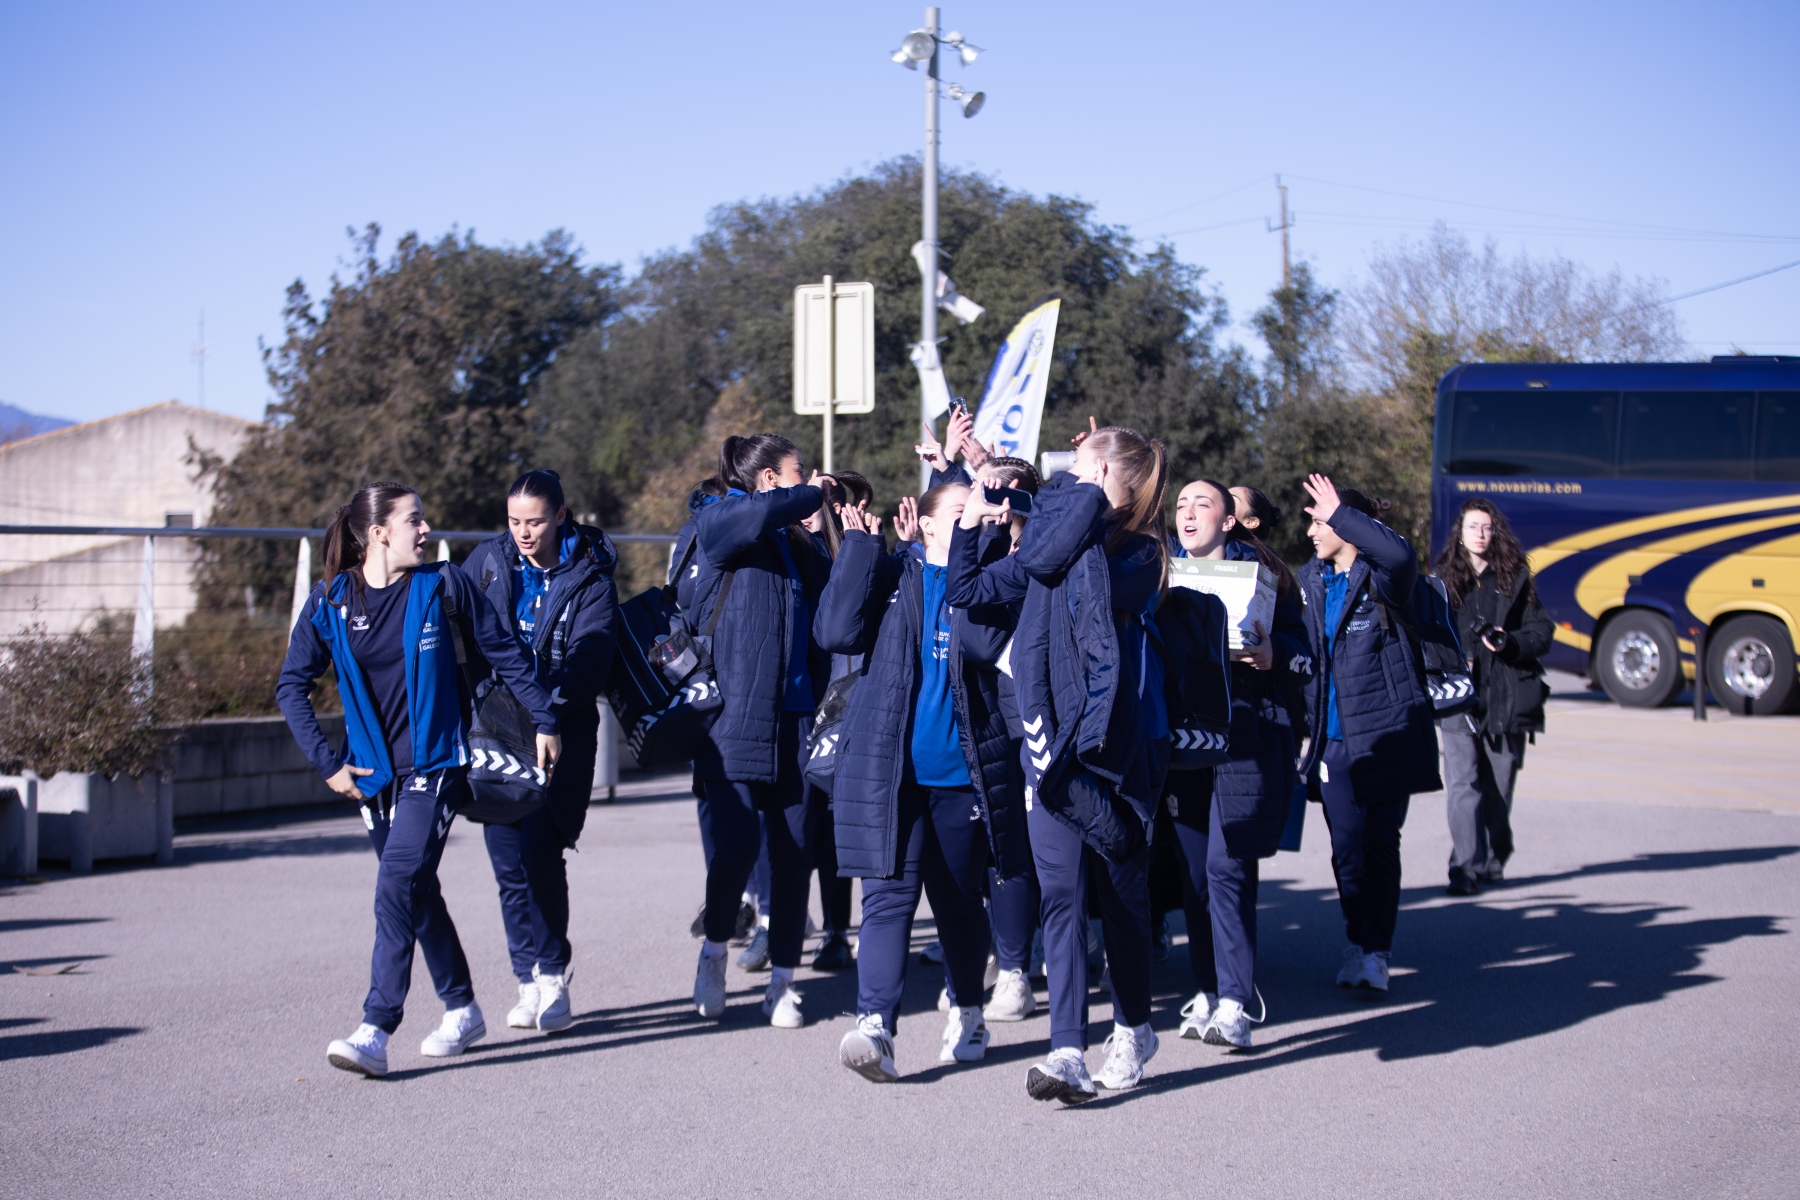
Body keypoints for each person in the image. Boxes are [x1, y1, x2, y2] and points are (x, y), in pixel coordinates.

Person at [277, 481, 561, 1078]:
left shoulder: (441, 585)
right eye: (414, 520)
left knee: (395, 883)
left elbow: (504, 652)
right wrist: (328, 762)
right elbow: (291, 685)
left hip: (435, 765)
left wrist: (544, 717)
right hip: (373, 777)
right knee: (416, 891)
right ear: (379, 533)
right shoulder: (331, 601)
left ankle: (376, 1028)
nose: (427, 530)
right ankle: (462, 1008)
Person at [819, 483, 1026, 1082]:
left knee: (958, 901)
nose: (972, 518)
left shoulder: (993, 581)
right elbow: (836, 631)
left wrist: (983, 545)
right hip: (889, 775)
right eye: (960, 512)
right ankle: (876, 1028)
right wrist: (861, 547)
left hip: (963, 776)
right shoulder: (892, 574)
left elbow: (983, 645)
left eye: (976, 512)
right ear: (928, 525)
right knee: (886, 899)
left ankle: (968, 1012)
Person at [1009, 424, 1172, 1103]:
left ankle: (1133, 1028)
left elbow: (1059, 562)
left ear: (1107, 477)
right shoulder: (1065, 533)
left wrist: (1080, 501)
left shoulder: (1143, 552)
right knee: (1062, 895)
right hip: (1051, 743)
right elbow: (1031, 559)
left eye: (1077, 467)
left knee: (1121, 897)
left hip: (1118, 745)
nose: (1065, 478)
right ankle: (1067, 1049)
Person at [461, 470, 618, 1034]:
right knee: (507, 861)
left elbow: (590, 662)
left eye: (534, 522)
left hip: (563, 731)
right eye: (513, 522)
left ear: (560, 516)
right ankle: (525, 980)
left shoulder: (590, 576)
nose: (523, 533)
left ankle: (552, 976)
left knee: (541, 851)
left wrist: (543, 708)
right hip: (496, 731)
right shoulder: (485, 563)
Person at [689, 434, 832, 1027]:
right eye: (799, 473)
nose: (809, 480)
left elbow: (834, 614)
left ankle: (782, 983)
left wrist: (832, 531)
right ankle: (714, 950)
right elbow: (749, 517)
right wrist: (808, 496)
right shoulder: (718, 517)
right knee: (738, 845)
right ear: (770, 479)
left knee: (795, 851)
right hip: (734, 716)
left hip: (796, 717)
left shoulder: (797, 539)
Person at [1165, 480, 1312, 1049]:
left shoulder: (1265, 578)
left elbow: (1304, 656)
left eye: (1202, 504)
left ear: (1229, 522)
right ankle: (1208, 989)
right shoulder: (1161, 573)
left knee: (1226, 870)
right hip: (1181, 743)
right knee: (1195, 877)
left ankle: (1235, 1002)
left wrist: (1274, 653)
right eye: (1181, 504)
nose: (1188, 512)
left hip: (1245, 741)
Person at [1297, 475, 1441, 994]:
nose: (1311, 532)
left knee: (1379, 844)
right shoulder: (1309, 581)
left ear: (1348, 525)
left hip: (1386, 732)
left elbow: (1400, 556)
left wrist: (1340, 512)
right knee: (1346, 851)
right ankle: (1357, 939)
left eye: (1319, 522)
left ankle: (1376, 951)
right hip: (1332, 743)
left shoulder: (1383, 578)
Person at [1432, 498, 1552, 895]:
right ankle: (1465, 868)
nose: (1480, 534)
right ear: (1460, 534)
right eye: (1473, 527)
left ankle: (1495, 855)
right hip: (1458, 698)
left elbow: (1542, 633)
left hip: (1505, 698)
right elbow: (1427, 634)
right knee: (1463, 784)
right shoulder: (1443, 579)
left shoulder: (1514, 577)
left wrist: (1510, 643)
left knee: (1497, 791)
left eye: (1486, 527)